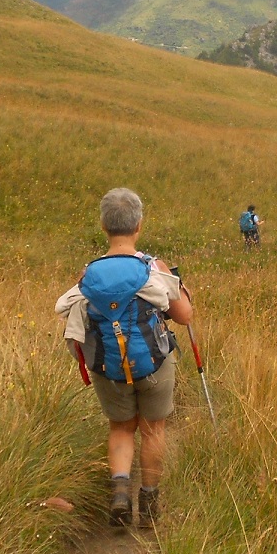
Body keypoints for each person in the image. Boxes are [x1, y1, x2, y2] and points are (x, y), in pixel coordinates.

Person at [55, 188, 193, 528]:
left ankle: (119, 494)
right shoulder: (152, 267)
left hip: (109, 366)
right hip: (154, 364)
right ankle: (148, 504)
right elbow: (184, 316)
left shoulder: (90, 274)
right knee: (153, 430)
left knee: (121, 428)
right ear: (139, 225)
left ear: (104, 226)